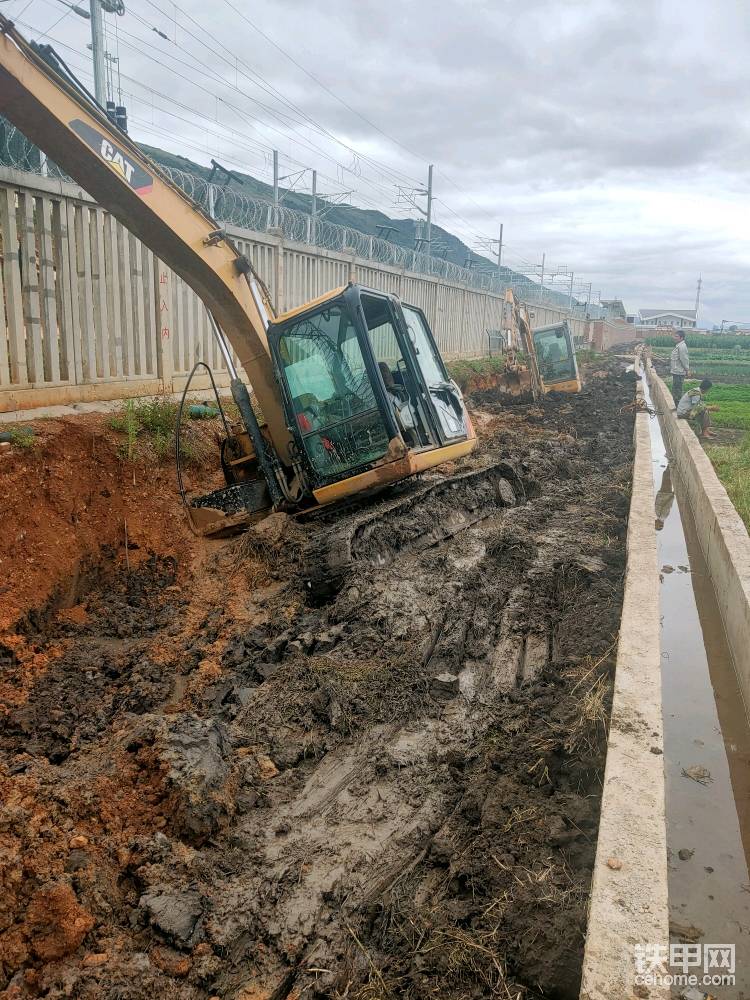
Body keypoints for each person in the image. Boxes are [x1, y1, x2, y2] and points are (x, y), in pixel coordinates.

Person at [670, 330, 690, 403]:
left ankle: (677, 406)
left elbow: (684, 360)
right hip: (676, 371)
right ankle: (675, 404)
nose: (674, 338)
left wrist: (687, 370)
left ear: (681, 338)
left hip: (679, 372)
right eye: (675, 336)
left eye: (676, 336)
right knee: (675, 389)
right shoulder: (678, 346)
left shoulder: (682, 347)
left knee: (677, 390)